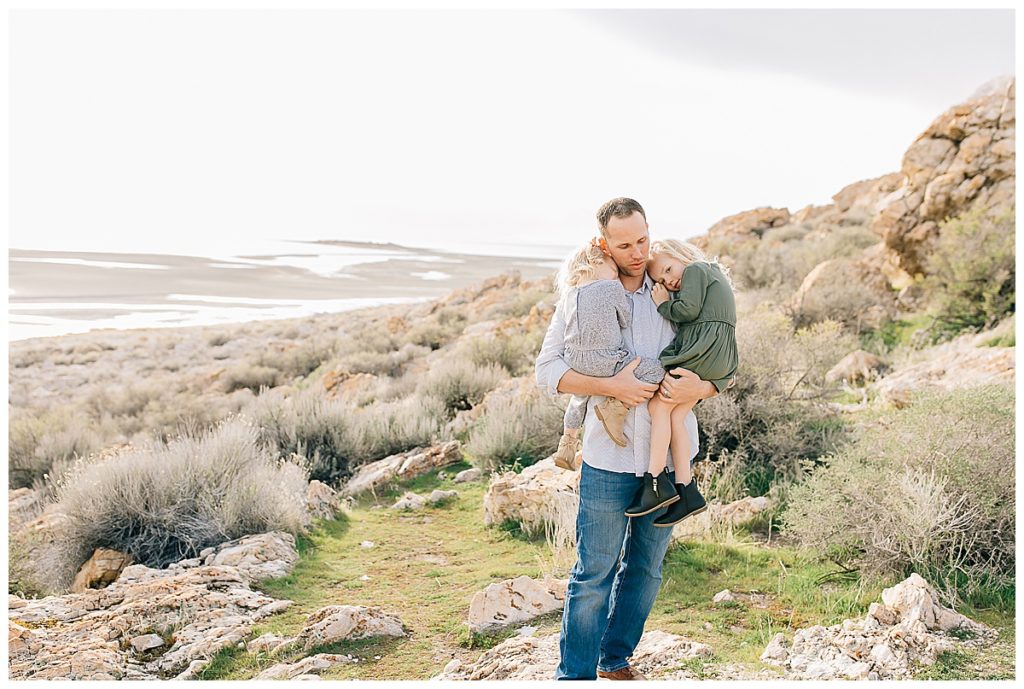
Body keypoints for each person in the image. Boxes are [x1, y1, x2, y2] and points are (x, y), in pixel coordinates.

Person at [535, 198, 718, 681]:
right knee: (593, 574)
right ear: (603, 244)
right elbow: (547, 370)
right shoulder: (583, 292)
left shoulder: (678, 291)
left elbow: (723, 355)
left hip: (670, 455)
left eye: (643, 240)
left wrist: (705, 386)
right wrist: (610, 386)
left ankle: (615, 658)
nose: (637, 253)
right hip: (608, 459)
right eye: (624, 245)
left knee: (646, 570)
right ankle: (575, 674)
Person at [624, 239, 739, 526]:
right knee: (676, 414)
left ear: (682, 255)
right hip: (716, 355)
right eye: (661, 279)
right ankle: (687, 490)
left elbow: (686, 311)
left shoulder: (699, 269)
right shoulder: (710, 276)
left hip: (704, 351)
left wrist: (663, 304)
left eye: (668, 269)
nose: (669, 280)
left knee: (658, 408)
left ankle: (655, 482)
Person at [551, 241, 668, 471]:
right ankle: (616, 405)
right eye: (613, 272)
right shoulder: (612, 288)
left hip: (575, 360)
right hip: (605, 359)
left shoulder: (570, 295)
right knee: (658, 369)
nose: (616, 278)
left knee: (580, 398)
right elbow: (625, 318)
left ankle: (568, 441)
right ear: (596, 263)